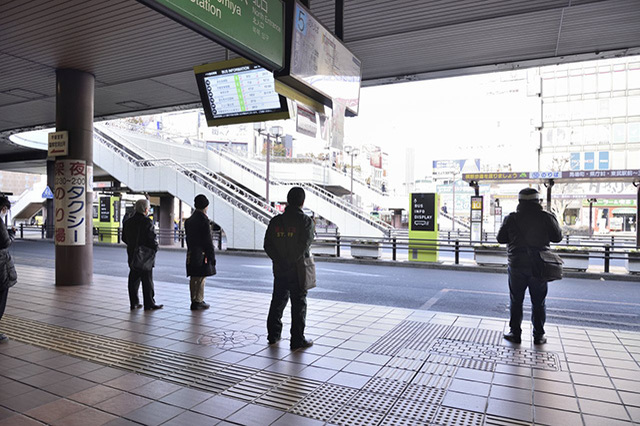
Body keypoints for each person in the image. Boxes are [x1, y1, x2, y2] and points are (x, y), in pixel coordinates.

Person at [497, 188, 562, 345]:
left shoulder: (511, 218)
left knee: (516, 300)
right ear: (537, 201)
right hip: (539, 265)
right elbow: (557, 237)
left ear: (519, 202)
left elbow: (501, 238)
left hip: (517, 265)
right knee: (539, 301)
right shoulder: (546, 217)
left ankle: (515, 333)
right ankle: (538, 335)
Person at [264, 187, 315, 350]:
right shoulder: (306, 221)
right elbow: (303, 246)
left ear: (288, 201)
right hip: (298, 270)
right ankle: (297, 340)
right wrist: (291, 261)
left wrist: (280, 260)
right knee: (298, 304)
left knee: (277, 300)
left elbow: (267, 245)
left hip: (279, 269)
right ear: (302, 202)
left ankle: (273, 335)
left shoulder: (276, 221)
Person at [122, 199, 162, 310]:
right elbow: (151, 239)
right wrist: (155, 248)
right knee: (147, 279)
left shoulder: (128, 221)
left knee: (133, 278)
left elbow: (124, 238)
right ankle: (149, 303)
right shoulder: (147, 221)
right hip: (145, 255)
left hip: (132, 253)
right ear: (146, 209)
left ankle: (134, 302)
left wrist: (133, 245)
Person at [185, 194, 216, 310]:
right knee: (201, 277)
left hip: (191, 252)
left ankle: (193, 299)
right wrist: (211, 256)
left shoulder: (189, 220)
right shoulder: (204, 220)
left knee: (194, 277)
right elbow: (207, 240)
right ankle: (198, 300)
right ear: (205, 206)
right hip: (201, 253)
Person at [0, 196, 17, 343]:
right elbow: (5, 242)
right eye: (5, 209)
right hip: (0, 266)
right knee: (0, 298)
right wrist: (12, 234)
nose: (5, 212)